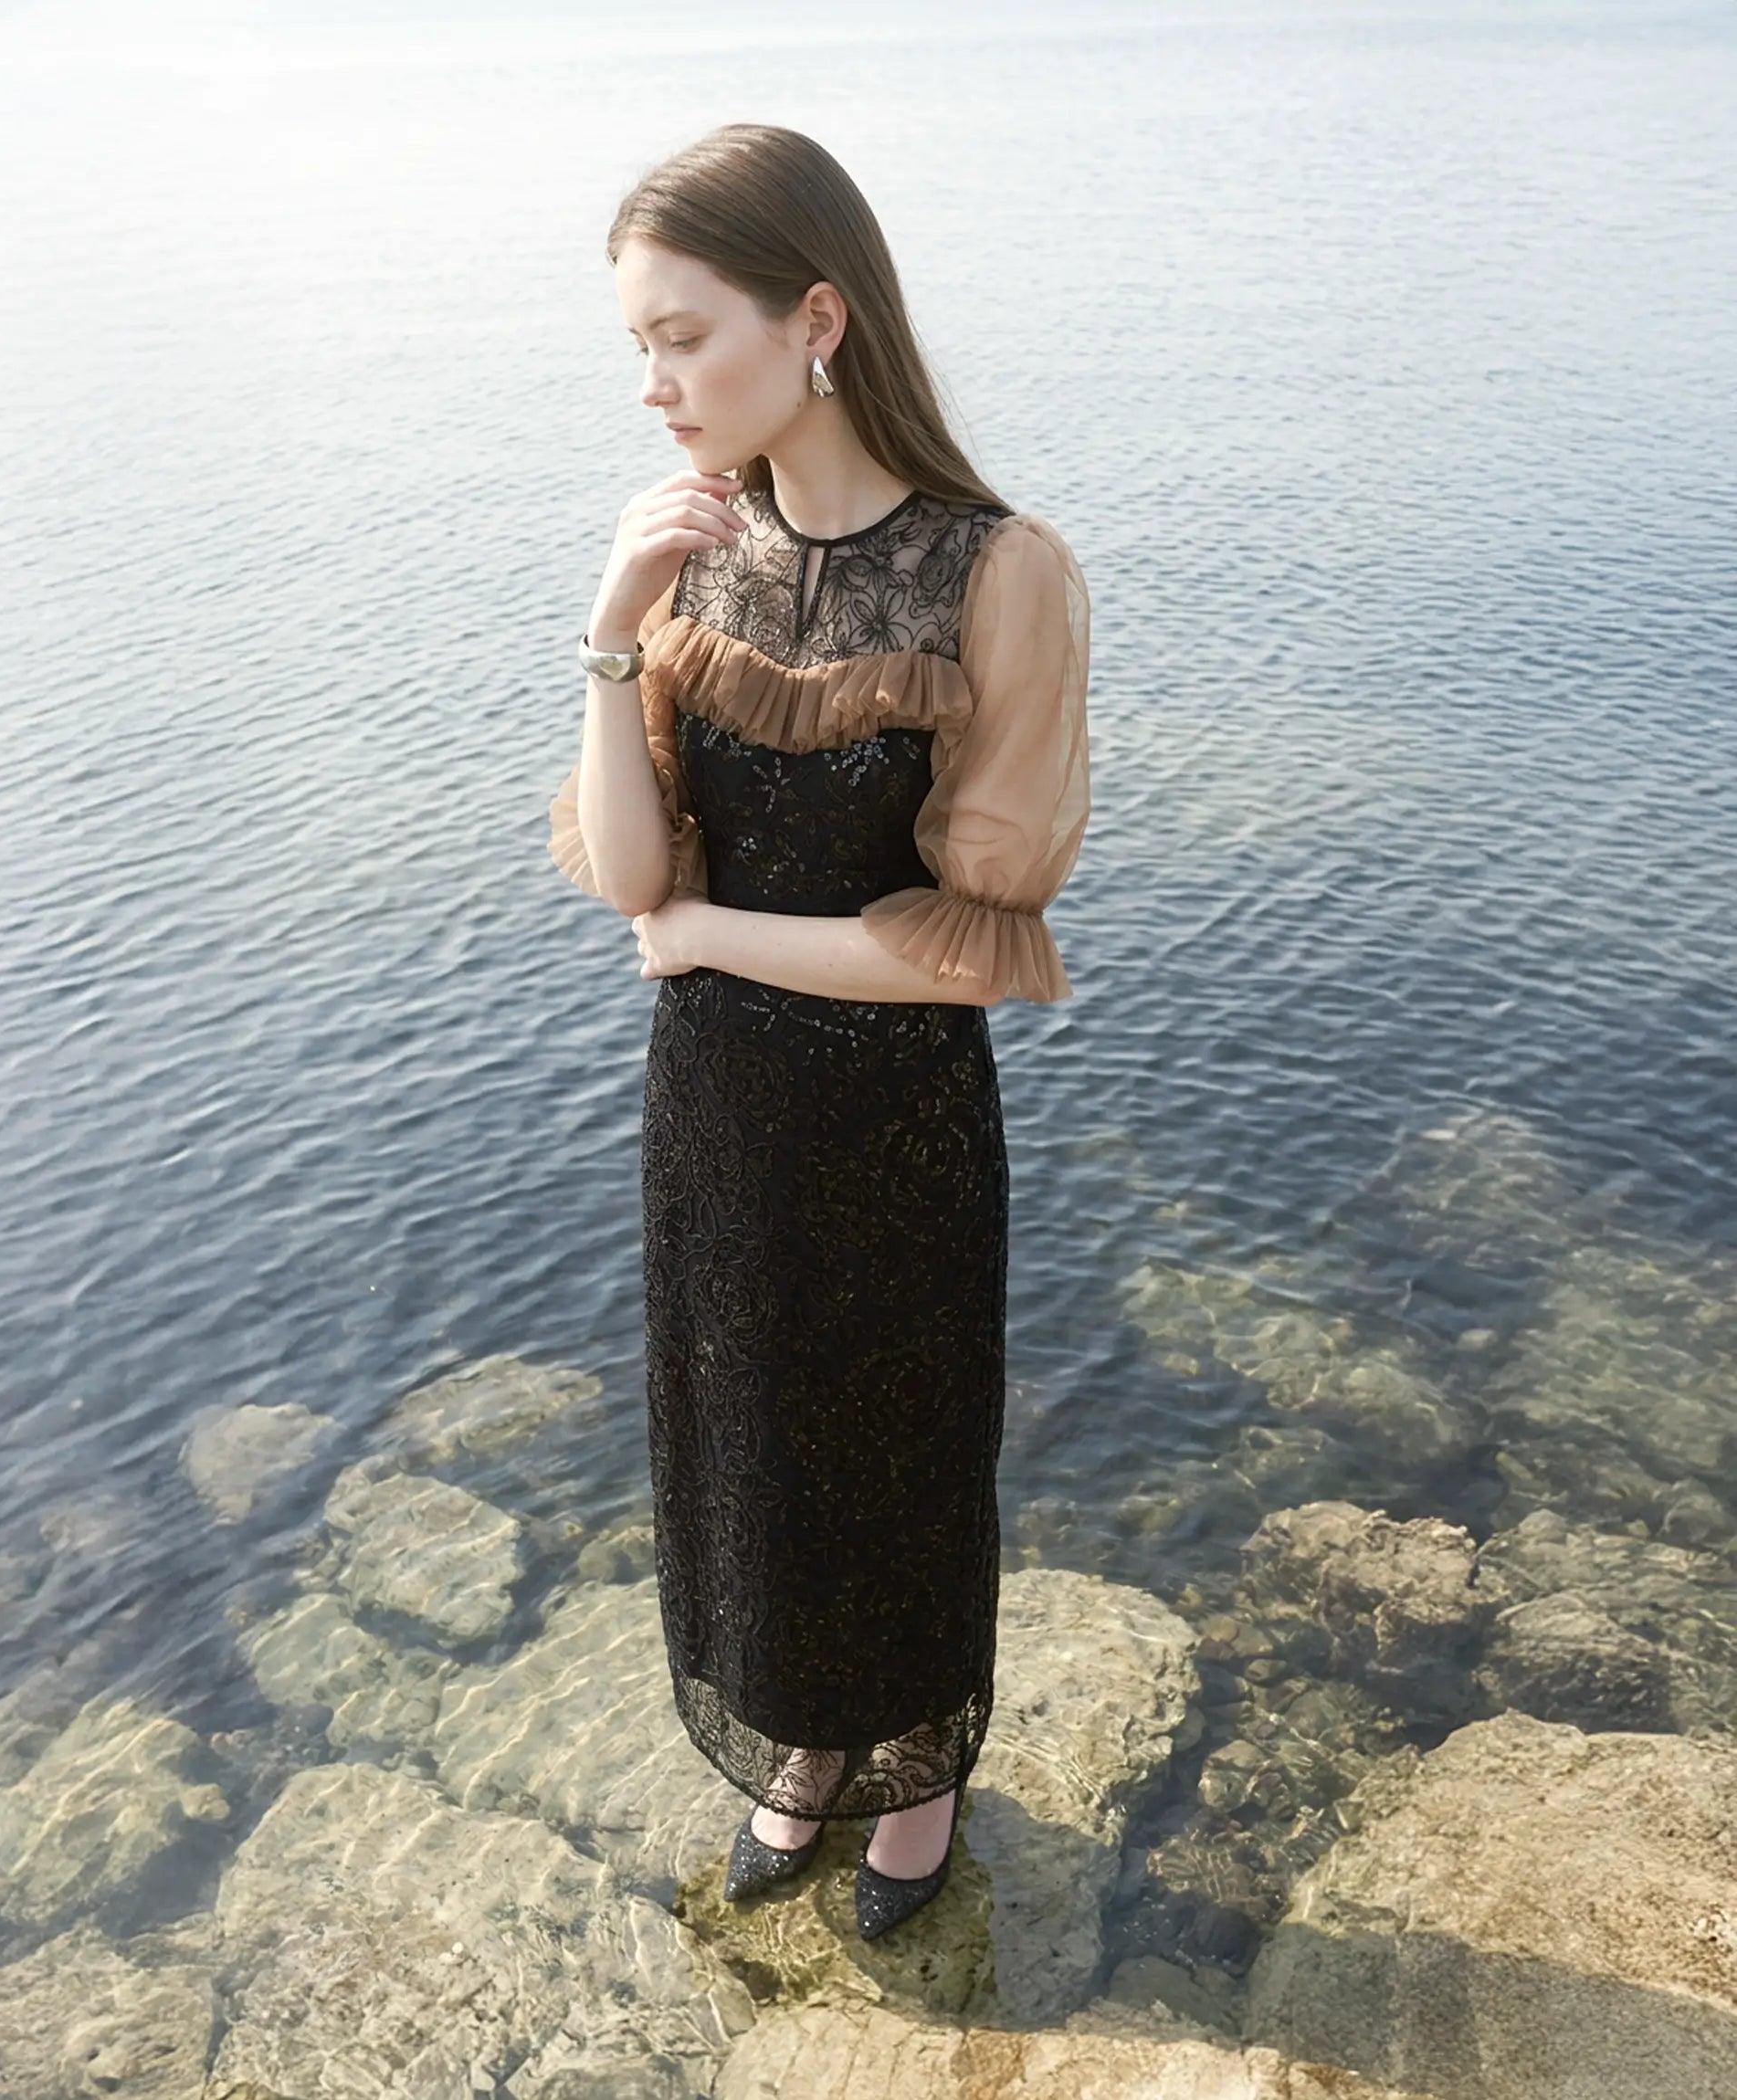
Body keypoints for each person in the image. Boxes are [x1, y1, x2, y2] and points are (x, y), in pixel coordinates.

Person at [547, 122, 1090, 1939]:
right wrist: (610, 632)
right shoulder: (688, 560)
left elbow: (967, 951)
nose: (653, 384)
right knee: (752, 1448)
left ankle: (917, 1778)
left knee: (900, 1451)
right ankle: (808, 1740)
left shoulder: (996, 571)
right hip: (715, 1115)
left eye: (682, 337)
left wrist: (706, 935)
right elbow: (633, 881)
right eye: (639, 344)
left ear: (819, 320)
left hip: (894, 1118)